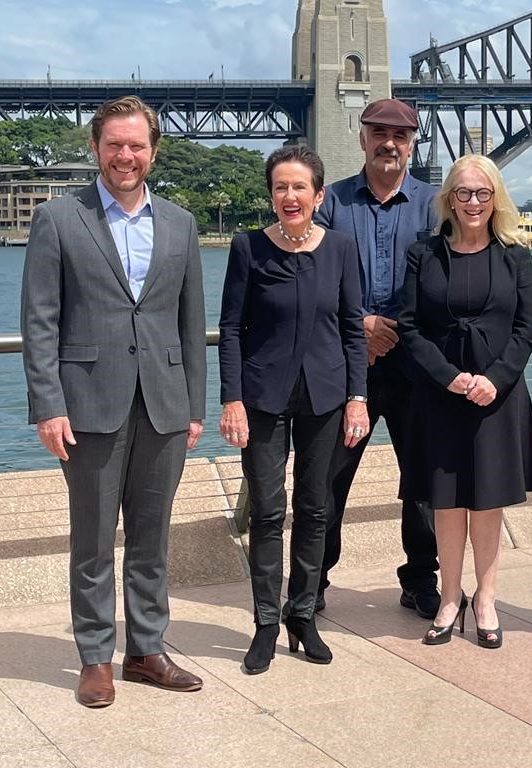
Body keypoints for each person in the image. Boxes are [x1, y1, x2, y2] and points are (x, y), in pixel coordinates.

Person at [20, 95, 207, 707]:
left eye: (137, 146)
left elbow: (190, 322)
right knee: (94, 539)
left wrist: (196, 406)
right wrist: (48, 404)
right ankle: (95, 656)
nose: (126, 156)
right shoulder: (58, 217)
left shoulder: (180, 222)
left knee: (152, 538)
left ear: (153, 151)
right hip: (87, 402)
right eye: (114, 145)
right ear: (96, 148)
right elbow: (40, 319)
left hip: (164, 402)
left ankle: (147, 650)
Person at [218, 145, 369, 672]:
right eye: (280, 187)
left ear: (318, 194)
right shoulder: (248, 249)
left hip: (326, 398)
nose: (289, 196)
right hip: (262, 398)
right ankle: (264, 622)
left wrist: (358, 396)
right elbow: (232, 329)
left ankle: (301, 615)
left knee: (315, 509)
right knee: (266, 511)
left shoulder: (342, 249)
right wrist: (231, 398)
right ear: (271, 194)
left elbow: (353, 329)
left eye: (299, 187)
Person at [397, 155, 532, 648]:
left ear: (496, 198)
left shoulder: (515, 256)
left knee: (486, 500)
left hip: (495, 396)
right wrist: (449, 378)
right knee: (446, 501)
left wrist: (493, 380)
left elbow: (527, 330)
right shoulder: (423, 254)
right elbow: (410, 327)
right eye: (463, 193)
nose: (473, 202)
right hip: (441, 394)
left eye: (483, 193)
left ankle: (485, 597)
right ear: (448, 200)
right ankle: (448, 597)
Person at [313, 98, 441, 619]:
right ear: (361, 136)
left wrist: (401, 329)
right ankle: (313, 577)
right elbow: (310, 275)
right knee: (329, 476)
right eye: (379, 132)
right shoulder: (332, 203)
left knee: (424, 479)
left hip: (417, 366)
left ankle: (420, 578)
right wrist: (360, 323)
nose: (390, 143)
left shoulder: (437, 204)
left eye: (401, 135)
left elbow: (451, 282)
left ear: (412, 144)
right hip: (348, 364)